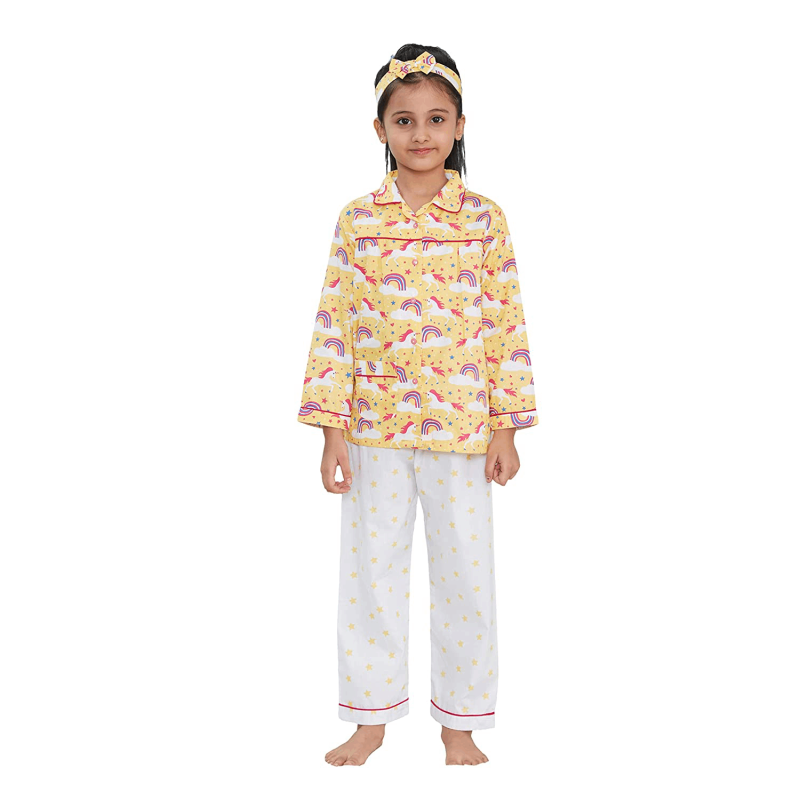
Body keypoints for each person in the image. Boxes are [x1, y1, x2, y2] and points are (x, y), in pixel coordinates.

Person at [296, 44, 539, 766]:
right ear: (381, 130)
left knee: (466, 576)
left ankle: (460, 722)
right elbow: (334, 323)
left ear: (460, 125)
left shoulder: (485, 220)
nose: (421, 133)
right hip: (373, 429)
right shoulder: (357, 220)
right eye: (404, 120)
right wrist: (331, 431)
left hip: (463, 431)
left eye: (437, 119)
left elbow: (505, 323)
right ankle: (369, 718)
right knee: (369, 575)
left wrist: (507, 427)